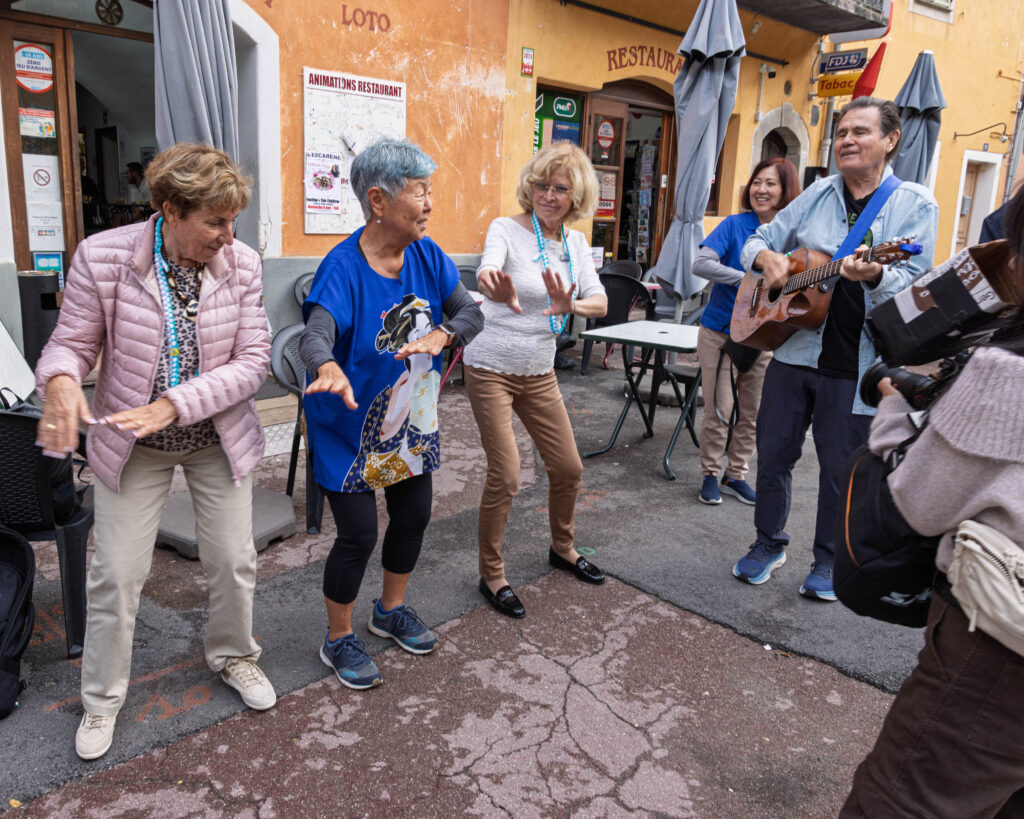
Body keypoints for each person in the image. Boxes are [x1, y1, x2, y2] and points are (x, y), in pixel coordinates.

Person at [35, 142, 276, 761]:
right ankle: (101, 701)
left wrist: (175, 403)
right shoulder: (103, 256)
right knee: (115, 574)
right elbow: (71, 344)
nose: (228, 236)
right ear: (170, 209)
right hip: (132, 442)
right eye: (215, 222)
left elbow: (254, 364)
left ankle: (234, 657)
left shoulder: (242, 265)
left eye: (233, 222)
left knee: (232, 560)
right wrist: (60, 381)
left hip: (213, 436)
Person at [840, 185, 1024, 818]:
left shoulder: (1007, 375)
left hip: (996, 664)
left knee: (897, 801)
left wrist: (895, 401)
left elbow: (913, 502)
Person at [731, 97, 938, 600]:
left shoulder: (914, 204)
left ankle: (827, 559)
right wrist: (767, 262)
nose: (847, 140)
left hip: (856, 362)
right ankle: (767, 543)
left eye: (860, 132)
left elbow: (916, 285)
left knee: (838, 468)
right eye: (842, 131)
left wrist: (877, 274)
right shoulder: (819, 191)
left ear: (890, 141)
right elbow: (757, 237)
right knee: (774, 453)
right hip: (794, 350)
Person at [300, 138, 483, 690]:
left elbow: (469, 312)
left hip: (414, 420)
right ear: (378, 201)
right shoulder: (342, 266)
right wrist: (326, 366)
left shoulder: (427, 254)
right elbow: (316, 333)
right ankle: (337, 638)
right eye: (420, 192)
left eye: (430, 191)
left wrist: (443, 334)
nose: (429, 203)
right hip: (348, 428)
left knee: (412, 517)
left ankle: (389, 610)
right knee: (356, 535)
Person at [464, 141, 608, 619]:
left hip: (539, 372)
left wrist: (573, 307)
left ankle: (562, 548)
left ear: (576, 195)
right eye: (542, 184)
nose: (549, 194)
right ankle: (492, 574)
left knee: (568, 467)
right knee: (505, 475)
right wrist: (491, 281)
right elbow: (487, 266)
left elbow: (600, 302)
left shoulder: (575, 245)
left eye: (560, 188)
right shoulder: (506, 228)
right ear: (530, 186)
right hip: (490, 368)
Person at [692, 157, 799, 506]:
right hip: (721, 333)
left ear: (785, 190)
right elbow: (702, 263)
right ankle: (710, 472)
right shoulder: (735, 225)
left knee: (753, 411)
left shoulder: (794, 234)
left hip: (766, 336)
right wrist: (752, 278)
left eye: (770, 183)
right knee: (719, 408)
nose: (761, 189)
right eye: (756, 182)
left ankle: (735, 473)